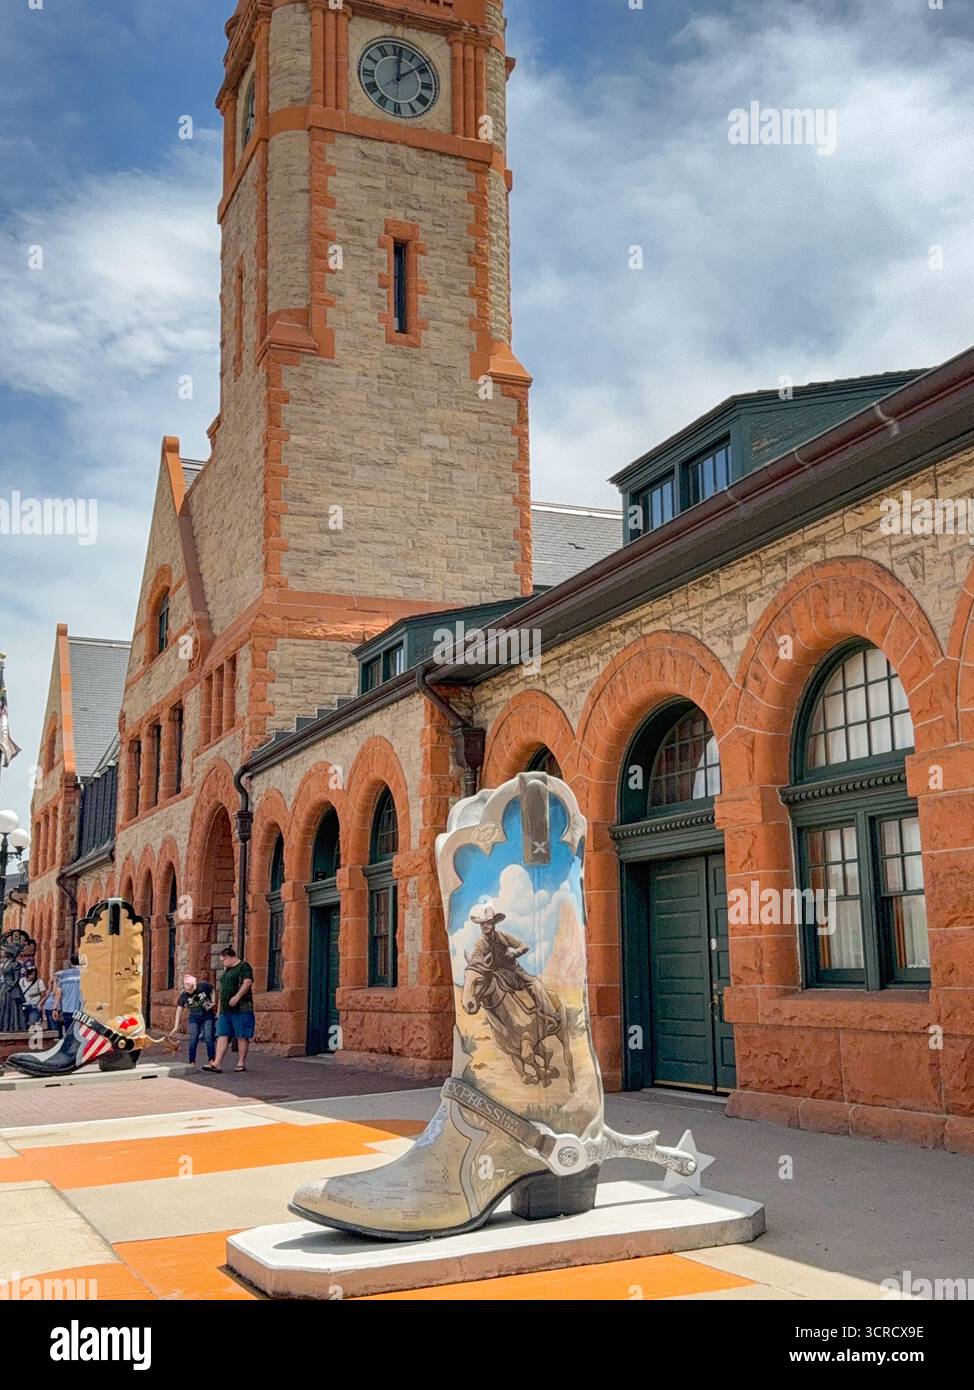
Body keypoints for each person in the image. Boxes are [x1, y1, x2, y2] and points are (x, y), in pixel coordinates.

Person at [204, 945, 255, 1074]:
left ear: (229, 957)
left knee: (242, 1035)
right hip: (225, 1011)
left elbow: (247, 982)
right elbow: (222, 990)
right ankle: (217, 1063)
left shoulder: (243, 966)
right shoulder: (227, 971)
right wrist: (219, 1009)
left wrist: (237, 996)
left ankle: (241, 1063)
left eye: (223, 960)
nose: (223, 963)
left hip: (241, 1008)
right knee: (222, 1034)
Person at [170, 973, 216, 1069]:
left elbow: (212, 989)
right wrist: (176, 1026)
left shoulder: (203, 986)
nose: (190, 991)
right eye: (187, 989)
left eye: (191, 989)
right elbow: (179, 1009)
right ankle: (192, 1061)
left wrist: (213, 1001)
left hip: (207, 1015)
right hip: (194, 1017)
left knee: (208, 1037)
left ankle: (212, 1060)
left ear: (194, 984)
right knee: (193, 1039)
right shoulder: (184, 994)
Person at [53, 955, 82, 1034]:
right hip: (82, 1010)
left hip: (67, 1009)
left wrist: (55, 1008)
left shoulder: (64, 975)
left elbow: (58, 993)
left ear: (70, 963)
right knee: (81, 1034)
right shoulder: (85, 974)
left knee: (69, 1033)